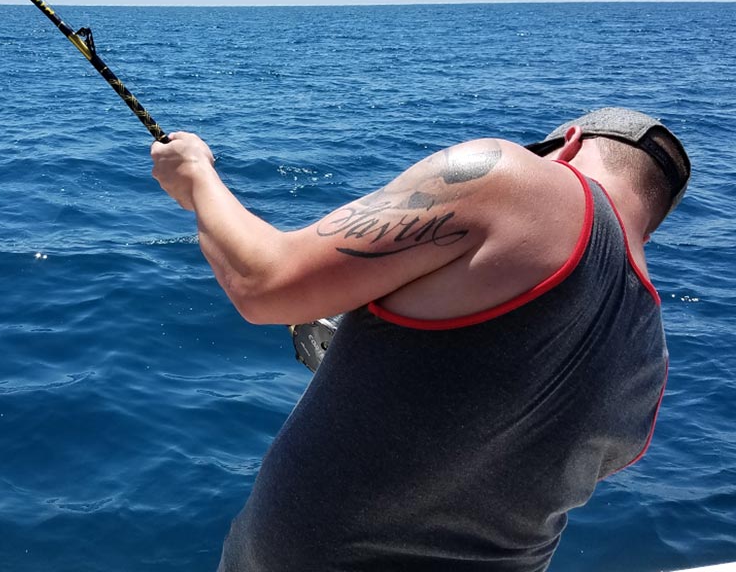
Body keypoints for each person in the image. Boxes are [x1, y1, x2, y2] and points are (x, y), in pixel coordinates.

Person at [150, 107, 691, 572]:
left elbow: (263, 284)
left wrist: (196, 177)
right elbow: (498, 438)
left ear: (567, 142)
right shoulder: (650, 357)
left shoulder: (519, 179)